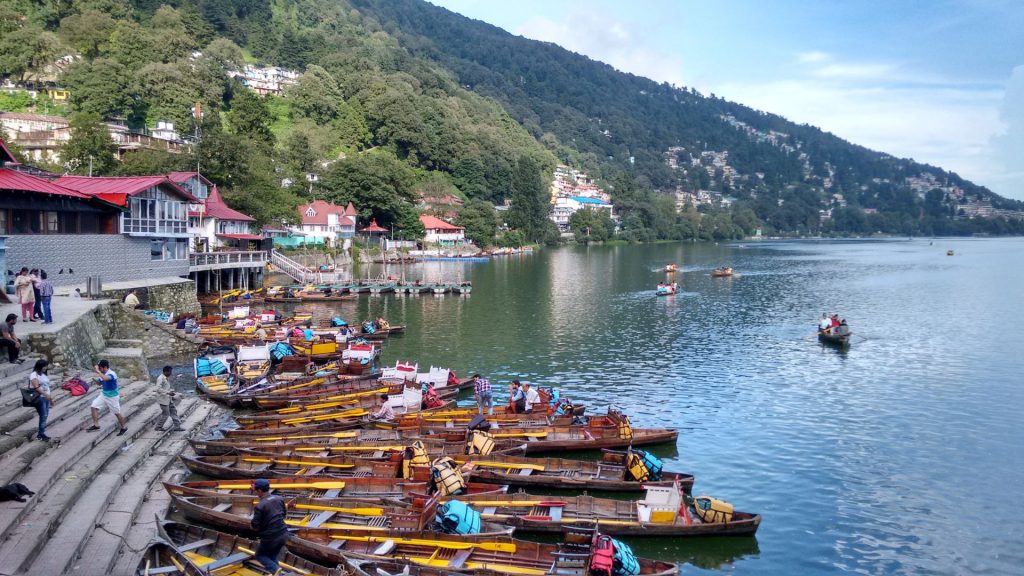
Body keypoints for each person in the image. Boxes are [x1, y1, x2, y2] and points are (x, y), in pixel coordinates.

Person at [250, 478, 289, 573]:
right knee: (272, 556)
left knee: (260, 556)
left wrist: (251, 526)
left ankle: (276, 570)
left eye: (255, 490)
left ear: (259, 490)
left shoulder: (260, 506)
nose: (255, 492)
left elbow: (255, 527)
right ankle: (279, 573)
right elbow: (283, 514)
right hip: (284, 534)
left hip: (271, 538)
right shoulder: (279, 498)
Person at [86, 359, 128, 435]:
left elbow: (106, 378)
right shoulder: (102, 374)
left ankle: (124, 427)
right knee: (93, 406)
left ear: (105, 367)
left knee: (117, 413)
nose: (100, 370)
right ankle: (96, 425)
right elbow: (100, 383)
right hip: (104, 394)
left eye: (100, 368)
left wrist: (98, 372)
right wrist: (94, 380)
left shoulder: (112, 373)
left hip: (112, 397)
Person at [29, 359, 53, 441]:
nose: (46, 367)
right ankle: (41, 434)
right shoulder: (34, 375)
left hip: (46, 397)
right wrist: (45, 394)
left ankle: (42, 433)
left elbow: (47, 387)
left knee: (45, 415)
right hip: (40, 398)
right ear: (40, 366)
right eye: (45, 366)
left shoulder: (43, 374)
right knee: (43, 415)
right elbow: (36, 387)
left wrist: (50, 398)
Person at [154, 366, 183, 432]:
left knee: (173, 411)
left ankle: (177, 426)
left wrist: (171, 392)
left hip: (168, 398)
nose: (171, 373)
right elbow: (158, 389)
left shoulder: (166, 378)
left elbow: (165, 388)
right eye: (170, 372)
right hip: (163, 399)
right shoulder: (160, 379)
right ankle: (158, 427)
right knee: (166, 414)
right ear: (165, 372)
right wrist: (168, 392)